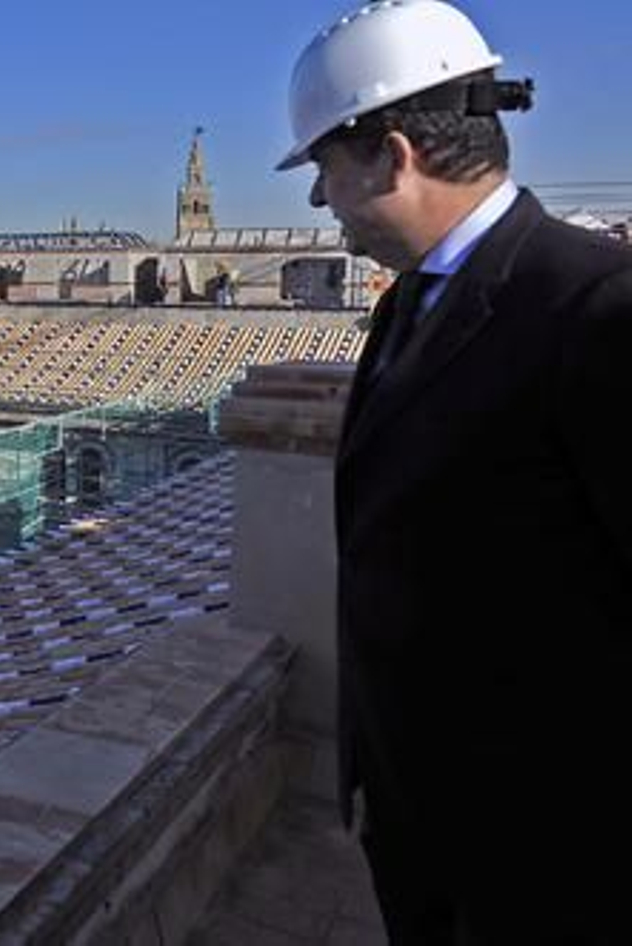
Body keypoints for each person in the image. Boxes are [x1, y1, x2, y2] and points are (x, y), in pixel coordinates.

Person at [277, 2, 631, 943]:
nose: (322, 204)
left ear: (393, 155)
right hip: (419, 814)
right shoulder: (413, 305)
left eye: (325, 171)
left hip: (557, 856)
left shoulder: (597, 310)